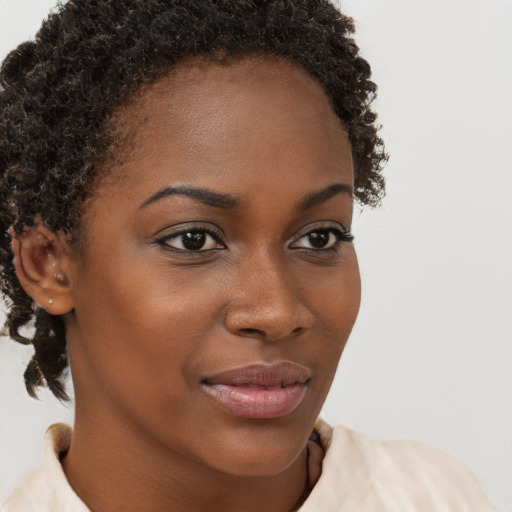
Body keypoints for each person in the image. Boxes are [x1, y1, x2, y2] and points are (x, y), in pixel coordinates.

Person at [0, 1, 494, 511]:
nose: (278, 312)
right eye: (193, 240)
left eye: (320, 237)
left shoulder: (434, 495)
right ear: (47, 264)